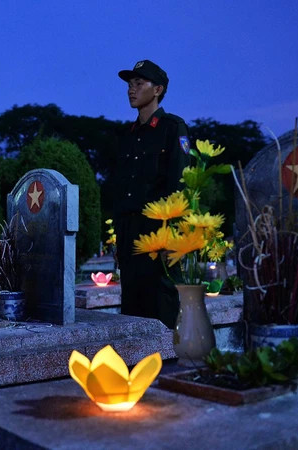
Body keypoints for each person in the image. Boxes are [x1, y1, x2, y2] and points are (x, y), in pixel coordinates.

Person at [114, 59, 190, 329]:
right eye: (129, 84)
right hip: (129, 234)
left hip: (159, 232)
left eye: (139, 83)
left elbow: (178, 183)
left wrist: (171, 236)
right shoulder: (127, 135)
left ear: (157, 90)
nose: (131, 90)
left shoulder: (173, 128)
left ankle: (167, 366)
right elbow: (120, 188)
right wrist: (118, 238)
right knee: (132, 307)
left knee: (162, 306)